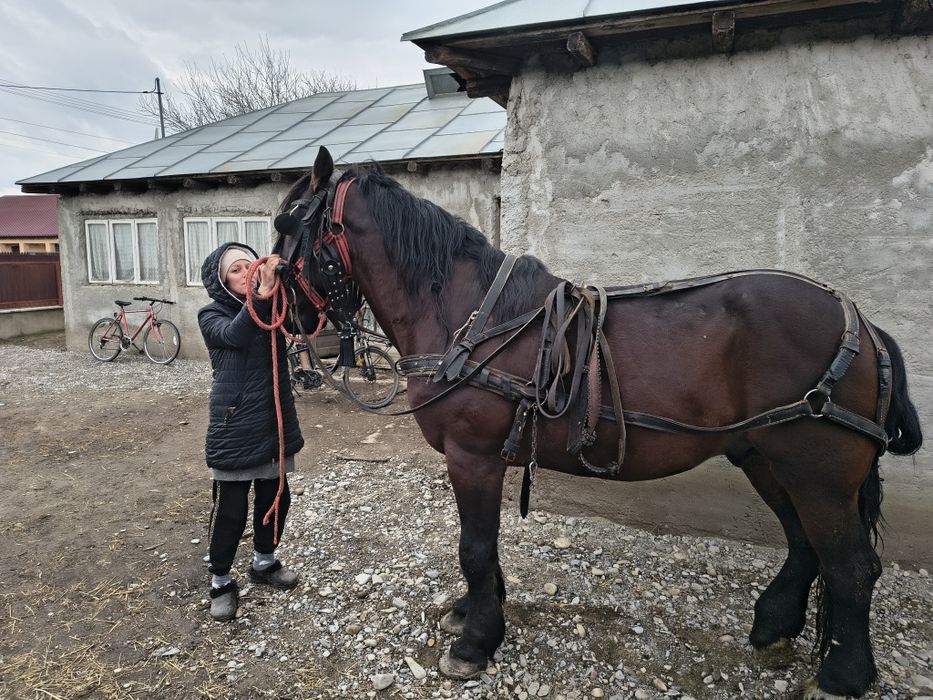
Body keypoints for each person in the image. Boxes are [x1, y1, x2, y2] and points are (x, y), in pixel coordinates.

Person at [198, 243, 305, 622]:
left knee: (276, 497)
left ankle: (264, 562)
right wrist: (262, 295)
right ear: (221, 281)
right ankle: (221, 581)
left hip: (273, 421)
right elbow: (237, 334)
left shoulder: (271, 304)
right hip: (235, 425)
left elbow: (301, 326)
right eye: (236, 270)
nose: (247, 273)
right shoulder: (211, 315)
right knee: (230, 509)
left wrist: (289, 285)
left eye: (250, 265)